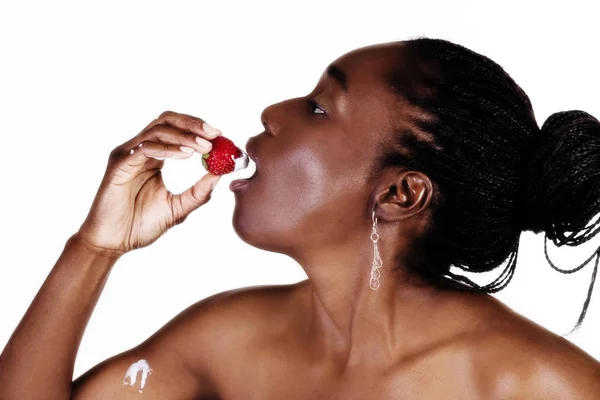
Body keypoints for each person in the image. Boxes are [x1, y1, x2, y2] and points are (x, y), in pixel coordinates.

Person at [1, 37, 599, 399]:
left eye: (318, 107)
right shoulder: (228, 339)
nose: (273, 110)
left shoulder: (538, 385)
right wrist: (96, 248)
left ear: (401, 194)